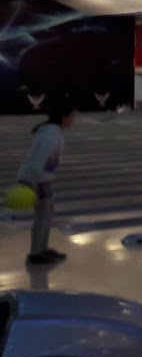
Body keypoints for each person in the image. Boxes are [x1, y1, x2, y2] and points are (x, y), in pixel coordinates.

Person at [17, 94, 76, 266]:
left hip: (43, 179)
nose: (73, 119)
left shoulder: (54, 132)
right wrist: (30, 184)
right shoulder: (50, 135)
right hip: (36, 180)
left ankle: (42, 248)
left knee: (47, 214)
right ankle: (35, 254)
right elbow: (36, 162)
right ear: (63, 117)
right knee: (43, 216)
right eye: (72, 116)